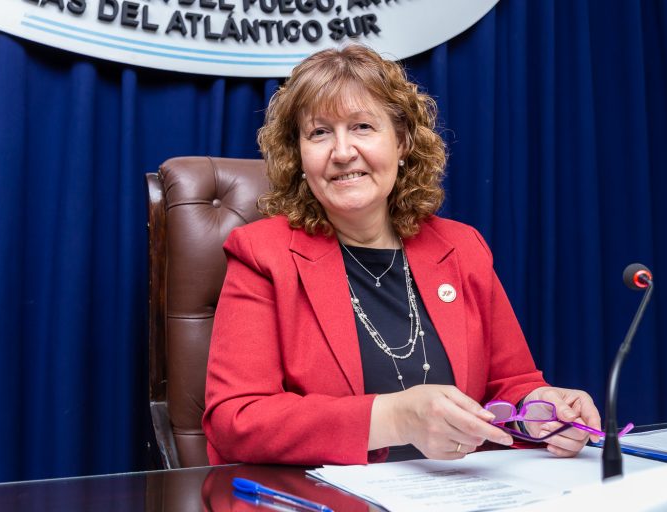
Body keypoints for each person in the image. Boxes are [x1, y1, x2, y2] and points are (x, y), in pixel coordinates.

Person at [203, 44, 601, 466]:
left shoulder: (462, 248)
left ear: (403, 142)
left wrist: (540, 410)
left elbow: (511, 384)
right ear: (299, 155)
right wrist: (393, 418)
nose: (342, 152)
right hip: (324, 495)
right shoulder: (262, 254)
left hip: (457, 490)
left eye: (362, 127)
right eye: (319, 133)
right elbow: (236, 419)